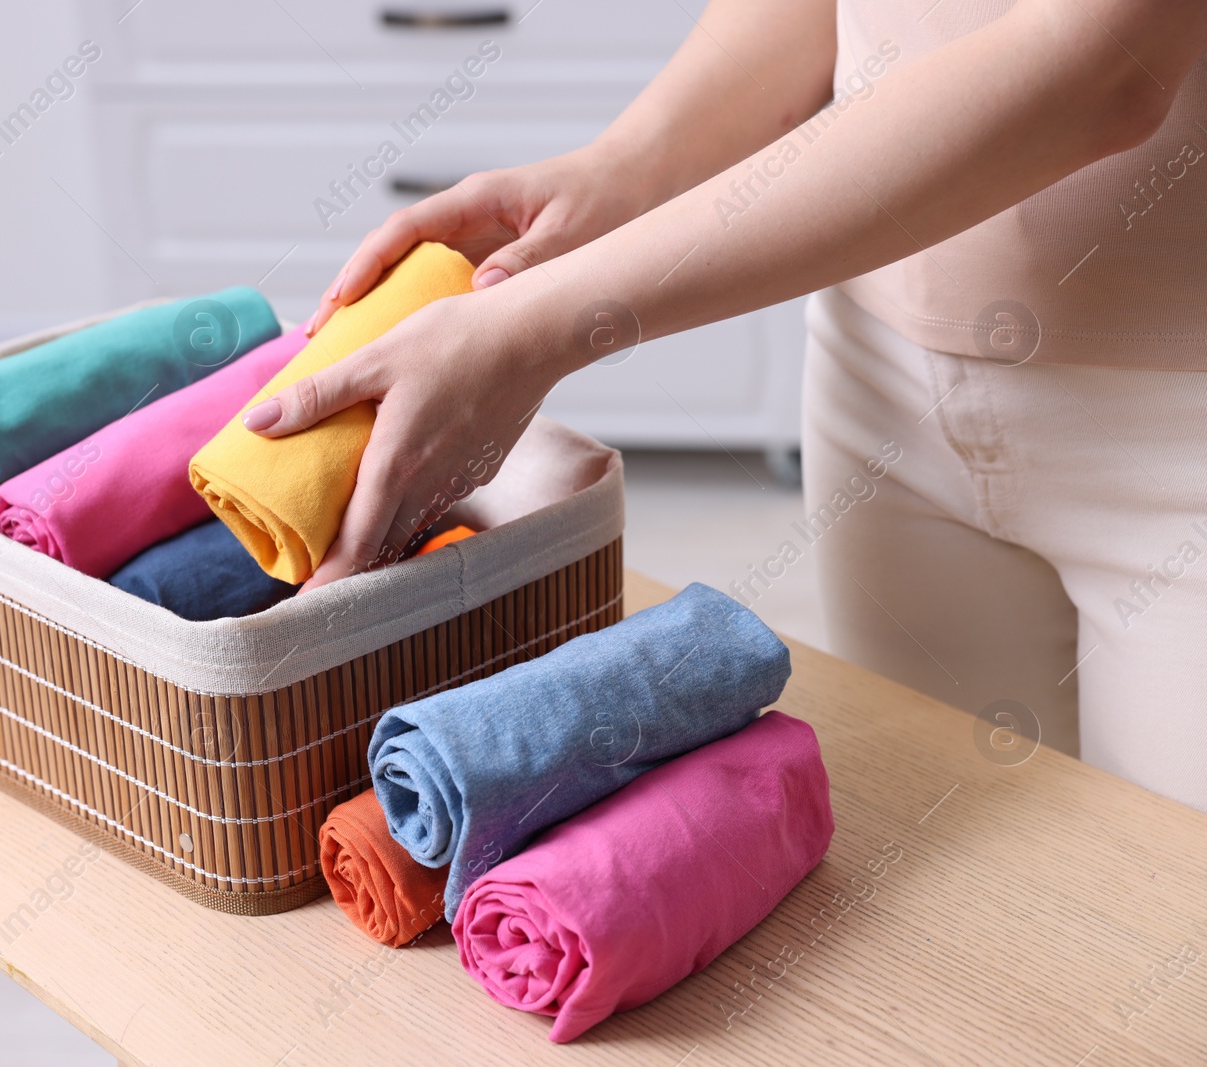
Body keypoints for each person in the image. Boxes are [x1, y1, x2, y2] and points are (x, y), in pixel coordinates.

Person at [239, 0, 1207, 812]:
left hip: (1177, 430)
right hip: (883, 382)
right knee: (953, 898)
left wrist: (541, 327)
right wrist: (622, 169)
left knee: (1171, 950)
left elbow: (1106, 64)